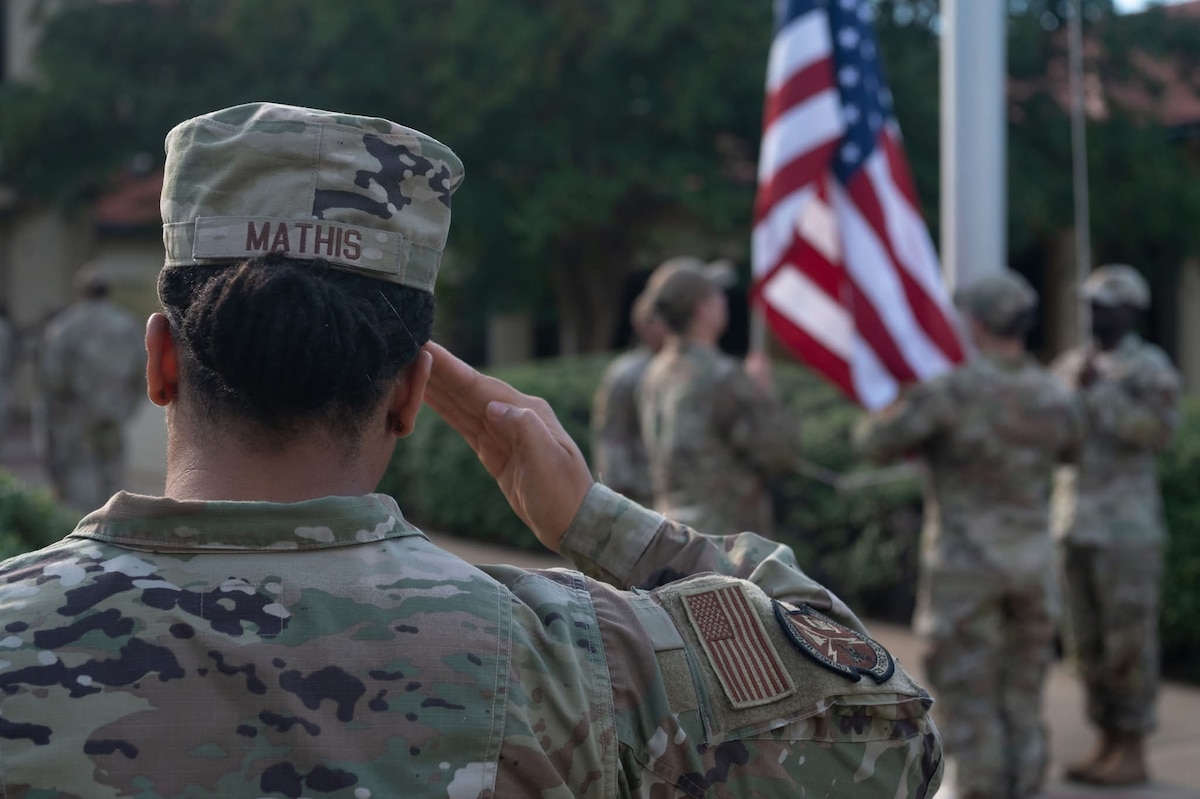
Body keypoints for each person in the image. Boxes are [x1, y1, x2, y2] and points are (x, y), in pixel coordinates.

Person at [0, 102, 942, 798]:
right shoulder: (571, 660)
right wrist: (600, 523)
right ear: (412, 392)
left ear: (160, 360)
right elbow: (887, 729)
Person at [853, 270, 1084, 799]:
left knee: (968, 692)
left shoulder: (952, 393)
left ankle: (978, 789)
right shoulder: (1054, 393)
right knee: (1023, 693)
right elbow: (1076, 450)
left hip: (966, 572)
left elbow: (873, 441)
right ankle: (1025, 785)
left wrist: (900, 401)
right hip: (1032, 567)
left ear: (975, 323)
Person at [1050, 263, 1181, 787]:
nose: (1094, 315)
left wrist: (1099, 394)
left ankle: (1133, 746)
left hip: (1127, 530)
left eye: (1106, 305)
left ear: (1132, 310)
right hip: (1074, 523)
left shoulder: (1149, 367)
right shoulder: (1068, 365)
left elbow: (1159, 433)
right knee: (1087, 643)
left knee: (1129, 642)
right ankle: (1105, 736)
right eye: (1089, 305)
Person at [637, 256, 799, 535]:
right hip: (726, 540)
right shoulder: (722, 376)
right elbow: (779, 454)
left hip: (670, 531)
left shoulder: (653, 372)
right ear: (702, 310)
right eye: (716, 295)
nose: (723, 301)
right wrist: (763, 392)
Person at [36, 265, 145, 511]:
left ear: (81, 291)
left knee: (80, 471)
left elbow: (51, 374)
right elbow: (141, 368)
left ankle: (84, 530)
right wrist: (129, 403)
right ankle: (115, 524)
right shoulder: (126, 324)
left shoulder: (65, 326)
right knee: (112, 469)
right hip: (115, 410)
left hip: (77, 412)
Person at [590, 282, 669, 504]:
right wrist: (620, 501)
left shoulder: (687, 370)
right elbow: (610, 438)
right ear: (643, 326)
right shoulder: (627, 374)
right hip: (642, 495)